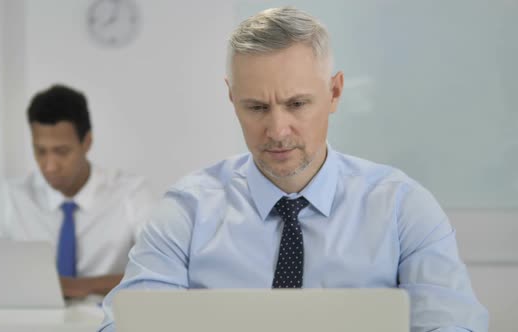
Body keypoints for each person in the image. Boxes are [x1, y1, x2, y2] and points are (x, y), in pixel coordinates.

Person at [99, 7, 488, 332]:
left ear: (334, 92)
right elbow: (125, 323)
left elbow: (452, 324)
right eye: (256, 107)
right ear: (232, 98)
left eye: (297, 104)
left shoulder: (402, 207)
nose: (277, 130)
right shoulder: (187, 211)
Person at [0, 84, 154, 298]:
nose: (49, 166)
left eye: (61, 152)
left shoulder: (130, 193)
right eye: (40, 151)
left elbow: (164, 267)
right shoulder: (12, 195)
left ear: (87, 142)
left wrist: (81, 286)